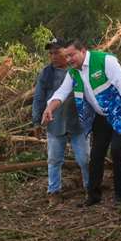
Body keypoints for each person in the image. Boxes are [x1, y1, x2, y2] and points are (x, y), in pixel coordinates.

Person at [42, 40, 121, 207]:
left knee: (117, 151)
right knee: (96, 155)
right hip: (101, 116)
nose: (69, 60)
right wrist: (50, 108)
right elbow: (62, 92)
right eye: (66, 56)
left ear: (83, 51)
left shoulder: (104, 61)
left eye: (72, 55)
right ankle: (93, 196)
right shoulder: (73, 72)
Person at [32, 41, 89, 203]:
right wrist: (36, 121)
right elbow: (38, 98)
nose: (53, 57)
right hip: (55, 122)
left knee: (84, 159)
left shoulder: (77, 70)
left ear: (67, 52)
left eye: (57, 52)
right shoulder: (46, 73)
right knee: (54, 159)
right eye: (51, 54)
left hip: (79, 122)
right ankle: (54, 191)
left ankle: (89, 187)